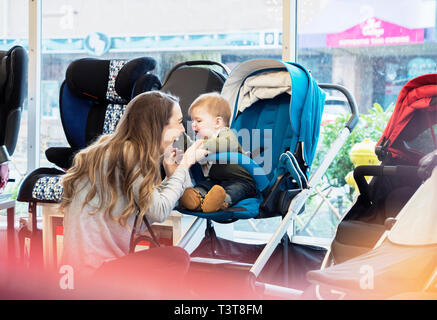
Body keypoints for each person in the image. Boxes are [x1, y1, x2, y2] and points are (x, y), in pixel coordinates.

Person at [60, 91, 208, 284]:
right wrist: (185, 164)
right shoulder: (130, 154)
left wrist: (172, 173)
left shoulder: (110, 148)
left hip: (71, 278)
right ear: (158, 126)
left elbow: (142, 216)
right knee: (177, 257)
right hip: (93, 277)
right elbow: (159, 211)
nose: (182, 130)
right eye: (179, 122)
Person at [179, 92, 257, 213]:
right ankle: (195, 198)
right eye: (192, 120)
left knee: (235, 189)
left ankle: (221, 202)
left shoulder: (225, 133)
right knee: (205, 186)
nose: (193, 124)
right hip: (217, 180)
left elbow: (228, 144)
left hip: (240, 179)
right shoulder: (202, 140)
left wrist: (202, 147)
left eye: (198, 121)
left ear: (217, 122)